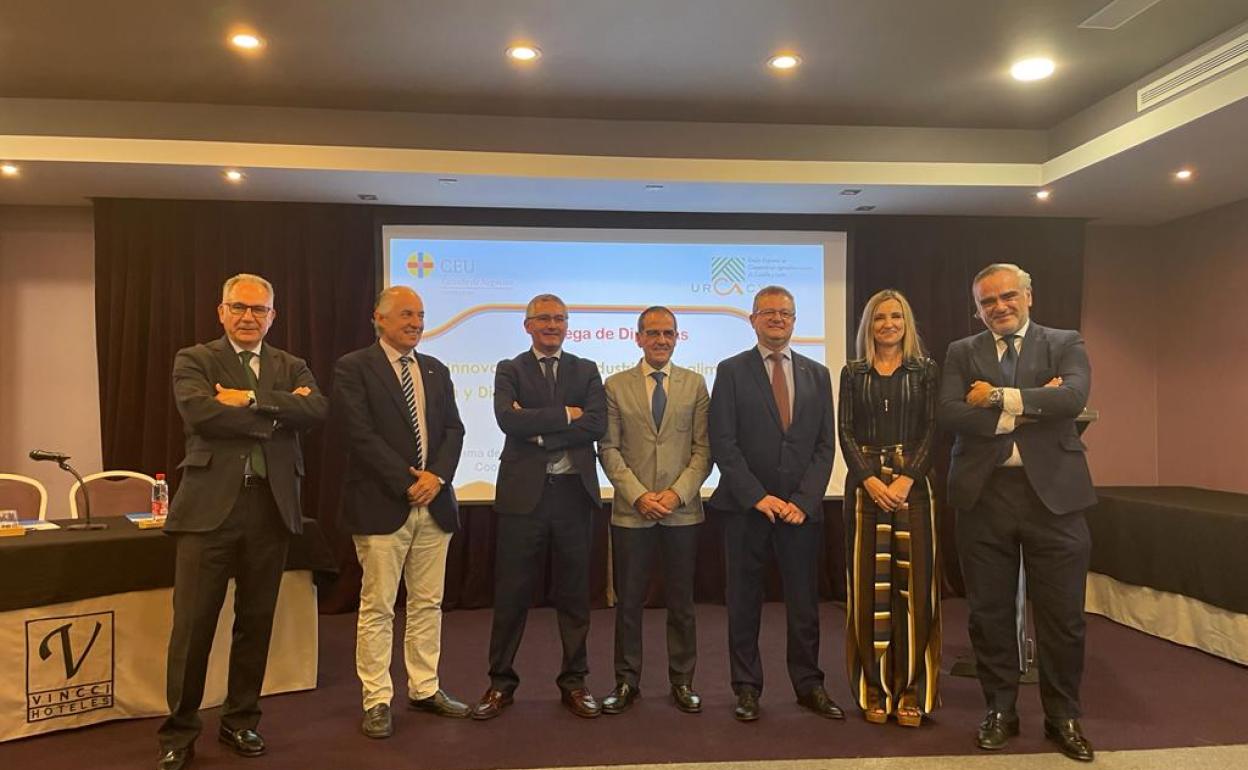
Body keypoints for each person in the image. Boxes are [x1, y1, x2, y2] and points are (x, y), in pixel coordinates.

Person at [157, 274, 327, 770]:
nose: (248, 317)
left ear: (273, 316)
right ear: (221, 311)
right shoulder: (195, 359)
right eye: (239, 308)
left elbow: (316, 409)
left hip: (269, 509)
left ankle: (240, 722)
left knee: (255, 623)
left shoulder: (291, 363)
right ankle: (179, 731)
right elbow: (200, 414)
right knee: (193, 626)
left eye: (258, 309)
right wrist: (279, 412)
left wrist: (250, 399)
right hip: (208, 511)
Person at [938, 263, 1096, 762]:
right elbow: (948, 413)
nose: (999, 307)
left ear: (1029, 295)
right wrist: (1032, 406)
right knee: (988, 615)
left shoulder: (1065, 341)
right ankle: (1000, 711)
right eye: (988, 302)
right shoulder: (962, 352)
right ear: (978, 308)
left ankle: (1062, 716)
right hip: (984, 497)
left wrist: (995, 398)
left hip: (1056, 499)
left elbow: (1072, 398)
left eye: (1008, 296)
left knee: (1064, 617)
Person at [332, 286, 468, 739]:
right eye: (406, 314)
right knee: (378, 607)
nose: (416, 322)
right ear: (380, 318)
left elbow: (454, 429)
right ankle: (377, 698)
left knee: (428, 604)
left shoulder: (435, 368)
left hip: (436, 505)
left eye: (421, 315)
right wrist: (410, 481)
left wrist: (437, 478)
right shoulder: (354, 367)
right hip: (380, 505)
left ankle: (425, 688)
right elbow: (357, 434)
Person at [708, 285, 842, 722]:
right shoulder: (730, 371)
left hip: (801, 513)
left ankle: (809, 685)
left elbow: (826, 445)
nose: (777, 319)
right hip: (747, 510)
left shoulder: (818, 374)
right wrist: (757, 496)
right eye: (768, 312)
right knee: (744, 603)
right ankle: (747, 688)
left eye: (785, 312)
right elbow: (723, 443)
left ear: (795, 319)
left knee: (804, 604)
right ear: (752, 320)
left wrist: (804, 500)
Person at [472, 294, 607, 720]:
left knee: (574, 596)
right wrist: (566, 415)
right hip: (523, 500)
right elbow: (506, 420)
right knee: (512, 595)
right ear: (527, 325)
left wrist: (543, 431)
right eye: (543, 319)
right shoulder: (509, 368)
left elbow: (597, 423)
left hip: (573, 496)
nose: (552, 325)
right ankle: (500, 684)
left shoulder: (585, 370)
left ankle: (575, 681)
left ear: (568, 325)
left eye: (559, 319)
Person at [598, 306, 711, 715]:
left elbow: (703, 450)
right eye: (653, 333)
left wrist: (676, 495)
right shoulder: (615, 386)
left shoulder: (695, 384)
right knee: (629, 602)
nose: (661, 340)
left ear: (677, 337)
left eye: (668, 333)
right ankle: (626, 682)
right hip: (632, 512)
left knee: (681, 602)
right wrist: (639, 495)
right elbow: (607, 448)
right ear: (638, 338)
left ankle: (683, 681)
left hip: (682, 512)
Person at [838, 289, 941, 727]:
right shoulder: (852, 372)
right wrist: (869, 480)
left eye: (896, 316)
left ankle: (912, 689)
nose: (888, 324)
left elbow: (934, 430)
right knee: (869, 589)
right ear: (869, 324)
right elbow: (844, 431)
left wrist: (904, 479)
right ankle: (876, 690)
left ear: (907, 322)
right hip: (865, 491)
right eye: (879, 317)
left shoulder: (926, 371)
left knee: (913, 590)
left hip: (913, 489)